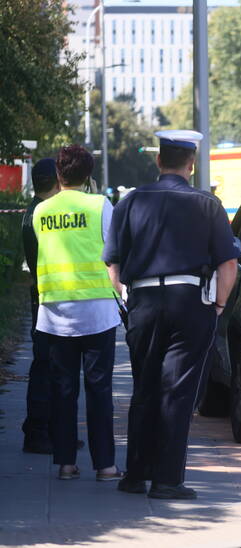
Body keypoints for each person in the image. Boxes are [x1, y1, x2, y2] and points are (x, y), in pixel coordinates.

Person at [103, 130, 239, 500]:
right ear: (191, 165)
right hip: (189, 301)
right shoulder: (207, 204)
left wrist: (127, 300)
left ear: (158, 161)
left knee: (144, 387)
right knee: (176, 392)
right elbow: (228, 265)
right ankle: (167, 481)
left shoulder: (130, 202)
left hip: (144, 303)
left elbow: (113, 263)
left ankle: (135, 475)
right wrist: (219, 306)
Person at [32, 145, 121, 480]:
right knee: (99, 390)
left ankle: (66, 463)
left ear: (58, 174)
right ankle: (106, 465)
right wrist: (122, 295)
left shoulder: (43, 211)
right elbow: (113, 255)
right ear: (89, 175)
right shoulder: (100, 205)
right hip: (98, 309)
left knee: (63, 390)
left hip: (54, 311)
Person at [20, 159, 59, 454]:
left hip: (44, 300)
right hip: (46, 302)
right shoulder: (40, 214)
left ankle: (46, 428)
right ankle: (37, 432)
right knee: (45, 366)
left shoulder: (35, 211)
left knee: (48, 366)